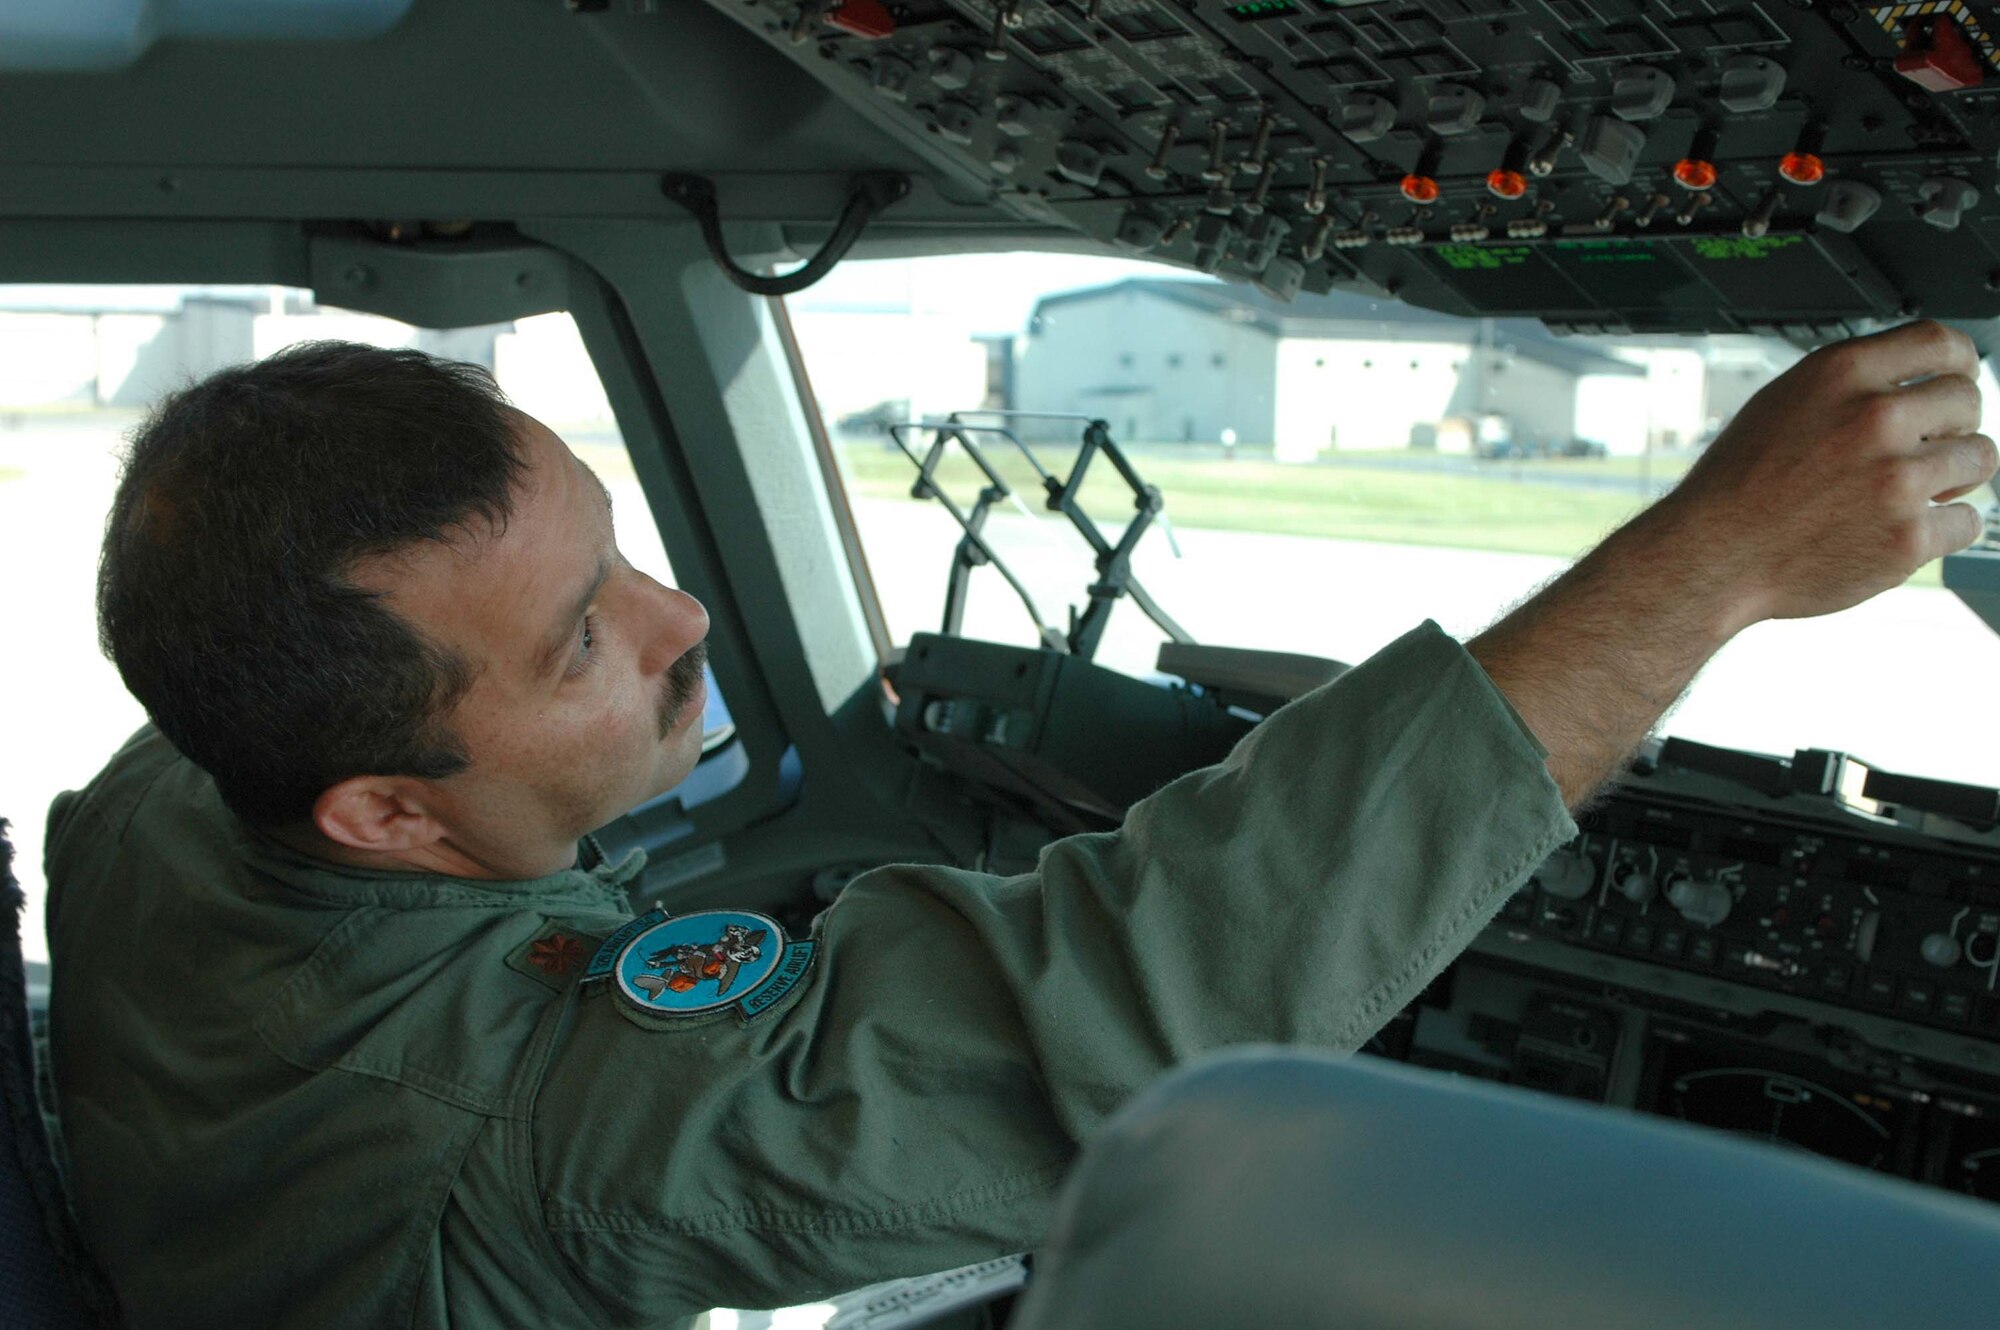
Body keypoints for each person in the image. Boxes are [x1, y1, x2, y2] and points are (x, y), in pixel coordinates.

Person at [42, 324, 1993, 1328]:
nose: (680, 622)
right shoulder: (551, 1137)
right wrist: (1717, 555)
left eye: (623, 548)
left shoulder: (158, 795)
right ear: (388, 807)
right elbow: (1140, 1028)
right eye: (577, 638)